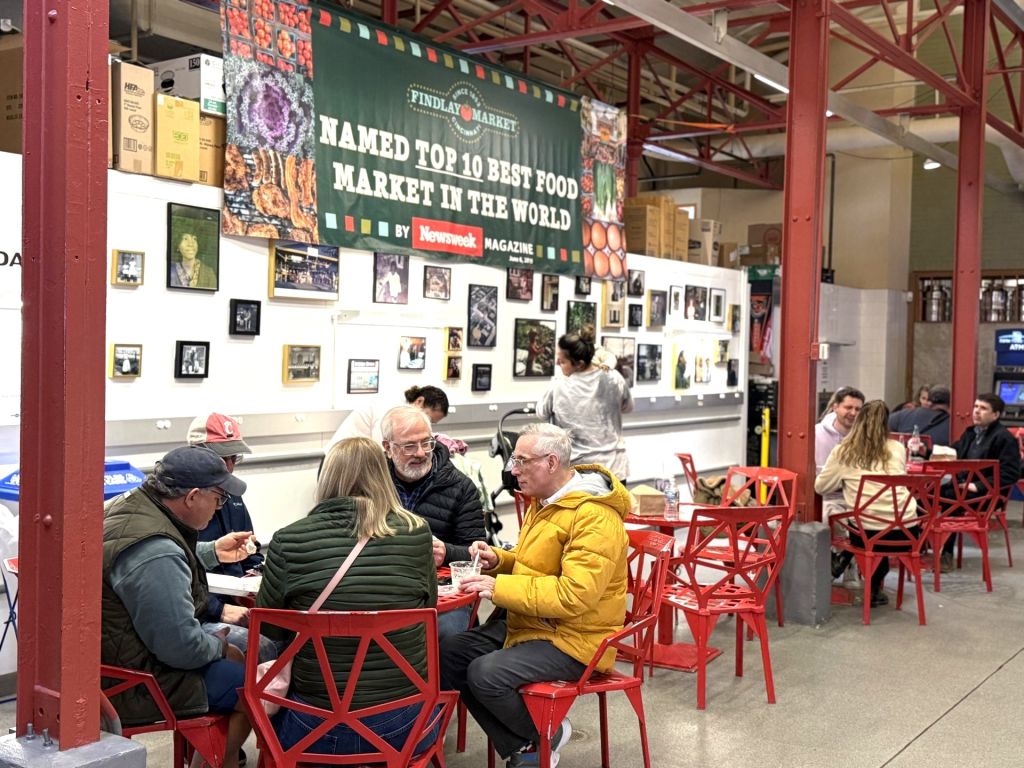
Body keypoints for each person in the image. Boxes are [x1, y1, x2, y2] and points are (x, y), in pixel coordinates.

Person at [439, 423, 630, 768]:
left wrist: (498, 588)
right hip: (535, 623)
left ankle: (536, 742)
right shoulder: (545, 503)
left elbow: (574, 595)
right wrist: (499, 561)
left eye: (521, 461)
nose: (513, 470)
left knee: (485, 673)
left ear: (551, 462)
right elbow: (535, 566)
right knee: (450, 652)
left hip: (577, 638)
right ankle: (536, 740)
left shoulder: (594, 517)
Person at [256, 437, 439, 757]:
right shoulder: (417, 532)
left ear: (326, 477)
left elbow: (270, 630)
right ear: (383, 475)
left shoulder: (287, 540)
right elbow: (429, 607)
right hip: (404, 725)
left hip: (314, 726)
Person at [102, 446, 251, 768]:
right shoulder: (156, 551)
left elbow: (164, 567)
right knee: (255, 686)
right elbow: (180, 648)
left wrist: (212, 552)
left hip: (112, 661)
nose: (220, 506)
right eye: (219, 498)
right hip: (136, 682)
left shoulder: (132, 507)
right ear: (193, 496)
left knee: (239, 659)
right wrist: (219, 646)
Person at [382, 406, 486, 638]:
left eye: (426, 443)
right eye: (409, 446)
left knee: (448, 635)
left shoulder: (461, 487)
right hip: (385, 584)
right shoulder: (373, 484)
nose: (420, 453)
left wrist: (446, 552)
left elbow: (478, 553)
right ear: (388, 448)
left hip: (442, 591)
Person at [187, 412, 277, 663]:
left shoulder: (234, 495)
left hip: (237, 602)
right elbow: (177, 577)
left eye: (233, 457)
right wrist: (219, 609)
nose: (228, 467)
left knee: (287, 632)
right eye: (221, 458)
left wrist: (254, 576)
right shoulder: (181, 503)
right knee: (262, 646)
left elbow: (251, 552)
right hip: (201, 611)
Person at [814, 400, 917, 607]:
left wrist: (845, 482)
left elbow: (821, 487)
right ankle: (874, 587)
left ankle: (842, 559)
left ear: (859, 421)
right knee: (883, 518)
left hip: (868, 535)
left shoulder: (844, 451)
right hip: (907, 532)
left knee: (861, 523)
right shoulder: (898, 448)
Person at [938, 393, 1022, 571]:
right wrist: (926, 451)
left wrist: (978, 486)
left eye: (983, 408)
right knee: (925, 494)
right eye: (976, 406)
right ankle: (919, 546)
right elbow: (952, 453)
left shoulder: (1004, 438)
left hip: (988, 495)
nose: (976, 411)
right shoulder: (971, 433)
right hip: (963, 488)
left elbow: (1011, 473)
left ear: (995, 415)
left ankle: (946, 553)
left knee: (949, 498)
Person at [537, 325, 634, 479]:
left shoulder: (558, 385)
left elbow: (541, 412)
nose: (557, 363)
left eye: (562, 361)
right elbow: (628, 407)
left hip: (579, 473)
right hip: (614, 469)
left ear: (580, 364)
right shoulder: (614, 378)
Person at [328, 385, 449, 449]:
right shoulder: (391, 410)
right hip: (340, 462)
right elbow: (382, 448)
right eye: (428, 418)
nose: (426, 423)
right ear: (419, 401)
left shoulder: (401, 411)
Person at [815, 386, 865, 470]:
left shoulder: (865, 437)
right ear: (835, 408)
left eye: (857, 409)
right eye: (848, 407)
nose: (853, 413)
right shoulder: (816, 434)